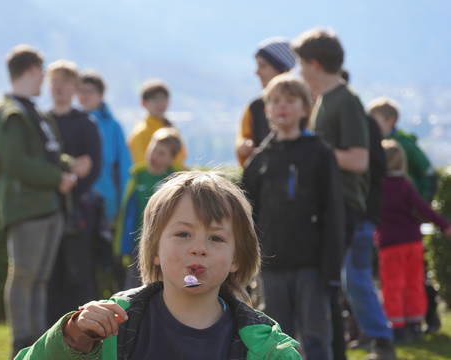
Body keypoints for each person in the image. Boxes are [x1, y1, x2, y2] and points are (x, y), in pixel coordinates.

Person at [15, 171, 301, 359]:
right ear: (154, 250)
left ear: (237, 258)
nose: (198, 248)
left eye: (215, 238)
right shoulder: (109, 328)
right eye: (182, 234)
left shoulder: (270, 350)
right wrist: (72, 339)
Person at [292, 28, 395, 360]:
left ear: (316, 63)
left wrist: (311, 150)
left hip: (344, 207)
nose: (299, 71)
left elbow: (359, 159)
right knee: (325, 287)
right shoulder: (323, 101)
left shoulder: (346, 101)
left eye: (301, 64)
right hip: (325, 206)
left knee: (327, 287)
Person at [0, 45, 86, 357]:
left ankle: (34, 342)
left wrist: (68, 165)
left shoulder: (32, 112)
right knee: (24, 275)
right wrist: (59, 178)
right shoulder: (9, 114)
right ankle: (21, 340)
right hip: (27, 210)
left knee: (39, 279)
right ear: (30, 71)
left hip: (49, 208)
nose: (44, 79)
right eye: (41, 72)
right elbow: (17, 163)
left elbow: (47, 153)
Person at [242, 75, 345, 360]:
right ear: (266, 109)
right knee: (278, 338)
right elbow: (246, 214)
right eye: (275, 101)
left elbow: (333, 212)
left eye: (290, 100)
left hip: (313, 264)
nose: (282, 107)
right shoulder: (260, 159)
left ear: (305, 108)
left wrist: (332, 267)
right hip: (272, 264)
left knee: (315, 336)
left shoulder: (320, 153)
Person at [368, 97, 442, 333]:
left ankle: (405, 323)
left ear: (389, 120)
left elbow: (427, 172)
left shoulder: (403, 146)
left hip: (394, 230)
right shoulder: (384, 148)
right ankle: (415, 322)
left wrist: (422, 198)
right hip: (408, 227)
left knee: (400, 282)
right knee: (413, 280)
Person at [45, 60, 103, 324]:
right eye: (54, 82)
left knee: (79, 271)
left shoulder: (86, 123)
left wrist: (72, 185)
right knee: (50, 272)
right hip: (46, 208)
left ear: (74, 87)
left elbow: (93, 165)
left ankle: (83, 329)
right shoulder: (42, 123)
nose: (59, 88)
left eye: (65, 82)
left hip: (79, 211)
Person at [376, 140, 451, 342]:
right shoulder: (405, 186)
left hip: (390, 244)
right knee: (414, 283)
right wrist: (444, 225)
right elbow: (423, 209)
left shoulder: (377, 188)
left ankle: (397, 326)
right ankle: (415, 324)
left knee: (393, 285)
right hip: (412, 242)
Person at [115, 128, 183, 288]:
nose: (154, 156)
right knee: (133, 286)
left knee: (159, 285)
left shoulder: (174, 181)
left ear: (171, 159)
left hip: (162, 245)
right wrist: (123, 245)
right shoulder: (137, 176)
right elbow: (127, 214)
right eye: (153, 149)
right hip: (137, 244)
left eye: (161, 153)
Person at [78, 71, 132, 225]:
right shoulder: (71, 122)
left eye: (90, 91)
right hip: (78, 200)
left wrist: (123, 205)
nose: (85, 95)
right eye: (81, 91)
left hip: (107, 200)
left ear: (101, 95)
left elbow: (123, 167)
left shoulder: (113, 127)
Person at [235, 37, 296, 167]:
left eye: (263, 66)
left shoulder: (305, 104)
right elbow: (243, 139)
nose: (257, 72)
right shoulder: (255, 106)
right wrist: (243, 147)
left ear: (282, 70)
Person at [369, 98, 437, 202]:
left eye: (374, 120)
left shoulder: (405, 144)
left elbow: (428, 172)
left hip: (407, 202)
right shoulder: (372, 141)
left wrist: (423, 200)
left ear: (390, 120)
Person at [127, 79, 187, 168]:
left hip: (175, 179)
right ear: (143, 103)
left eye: (163, 98)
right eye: (155, 99)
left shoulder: (172, 129)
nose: (160, 103)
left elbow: (181, 158)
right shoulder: (139, 134)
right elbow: (141, 166)